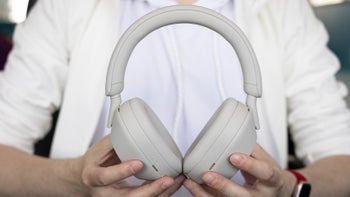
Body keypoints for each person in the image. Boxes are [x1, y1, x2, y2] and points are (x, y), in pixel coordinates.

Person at [0, 0, 350, 196]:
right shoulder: (65, 7)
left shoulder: (285, 10)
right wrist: (76, 179)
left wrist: (290, 189)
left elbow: (343, 161)